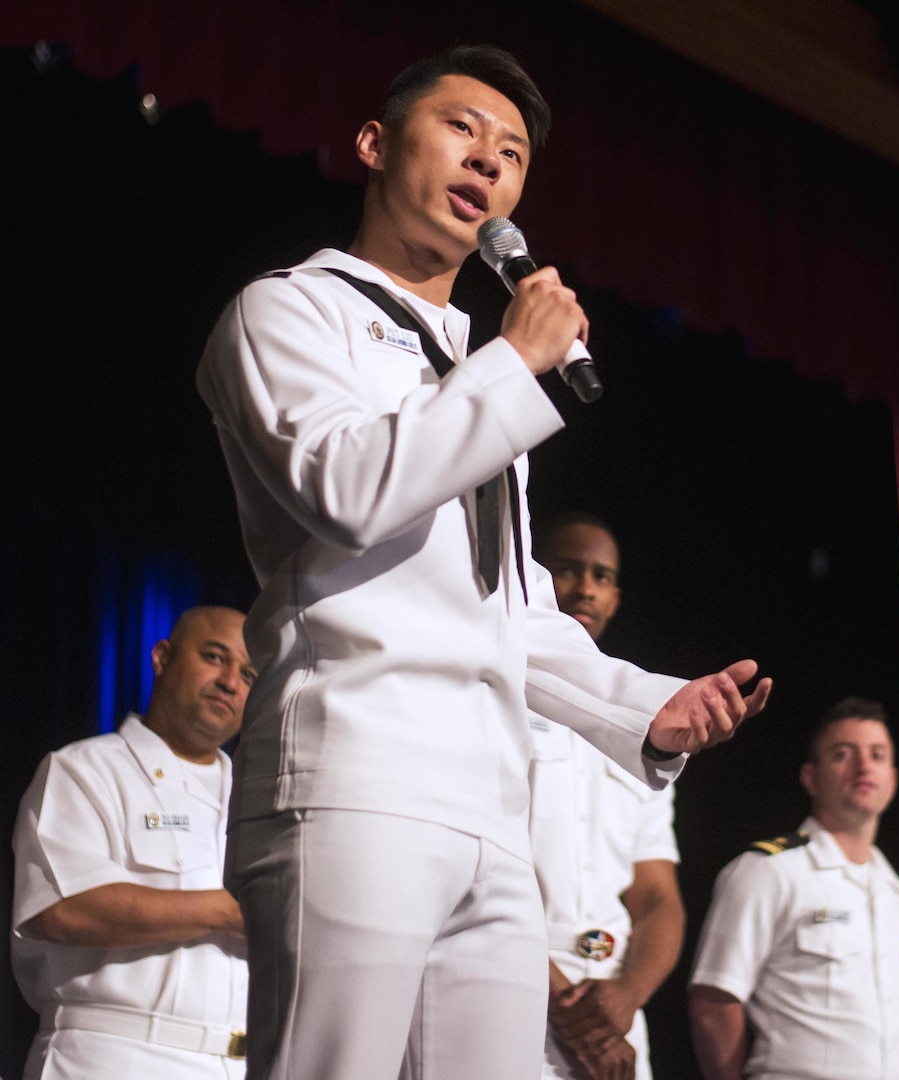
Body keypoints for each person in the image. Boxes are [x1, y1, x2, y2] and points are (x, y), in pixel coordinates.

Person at [195, 45, 771, 1080]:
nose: (489, 161)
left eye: (510, 152)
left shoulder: (474, 367)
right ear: (375, 144)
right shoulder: (289, 309)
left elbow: (502, 610)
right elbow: (348, 491)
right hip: (356, 773)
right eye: (461, 128)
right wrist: (515, 361)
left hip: (494, 809)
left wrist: (643, 707)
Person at [11, 606, 254, 1080]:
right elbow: (63, 910)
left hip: (239, 1062)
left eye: (248, 673)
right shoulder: (86, 769)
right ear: (162, 657)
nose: (230, 682)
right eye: (214, 657)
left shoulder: (260, 795)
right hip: (113, 1053)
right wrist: (230, 911)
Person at [687, 697, 899, 1080]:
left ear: (893, 781)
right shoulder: (770, 871)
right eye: (842, 754)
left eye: (878, 755)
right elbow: (714, 1000)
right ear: (811, 778)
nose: (864, 766)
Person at [531, 512, 686, 1080]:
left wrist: (627, 996)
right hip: (514, 981)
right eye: (568, 570)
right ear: (534, 575)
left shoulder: (639, 722)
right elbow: (474, 870)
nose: (586, 588)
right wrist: (573, 1013)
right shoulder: (496, 694)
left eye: (601, 576)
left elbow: (657, 898)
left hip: (614, 1008)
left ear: (616, 596)